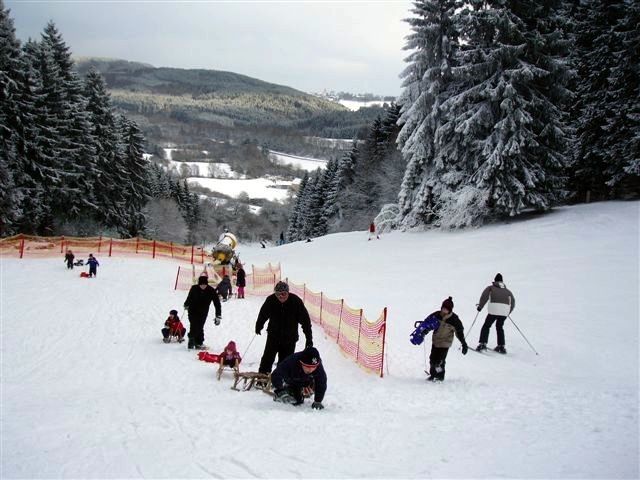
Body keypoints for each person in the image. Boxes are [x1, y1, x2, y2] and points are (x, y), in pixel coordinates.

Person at [255, 281, 313, 375]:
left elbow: (305, 321)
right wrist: (259, 325)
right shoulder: (271, 300)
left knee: (285, 362)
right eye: (278, 294)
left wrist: (309, 338)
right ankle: (262, 378)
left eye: (283, 294)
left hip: (289, 339)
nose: (281, 296)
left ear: (288, 292)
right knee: (267, 359)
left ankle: (282, 379)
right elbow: (263, 313)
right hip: (273, 336)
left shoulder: (296, 302)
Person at [427, 297, 468, 381]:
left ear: (450, 310)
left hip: (445, 343)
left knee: (439, 362)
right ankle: (433, 375)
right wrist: (423, 331)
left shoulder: (454, 320)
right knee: (432, 360)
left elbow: (459, 333)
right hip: (436, 341)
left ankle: (440, 376)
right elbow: (427, 323)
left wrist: (464, 344)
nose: (444, 311)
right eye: (443, 308)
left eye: (446, 309)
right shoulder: (437, 315)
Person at [476, 273, 516, 354]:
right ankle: (501, 346)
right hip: (504, 312)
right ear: (502, 281)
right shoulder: (508, 291)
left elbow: (484, 296)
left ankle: (483, 344)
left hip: (493, 310)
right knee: (499, 326)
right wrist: (508, 312)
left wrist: (480, 307)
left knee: (487, 325)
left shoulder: (490, 288)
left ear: (495, 280)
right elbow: (513, 302)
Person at [183, 275, 222, 350]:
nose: (203, 286)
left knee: (200, 326)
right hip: (192, 310)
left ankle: (198, 342)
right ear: (199, 284)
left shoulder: (211, 290)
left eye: (204, 285)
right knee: (194, 325)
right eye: (201, 285)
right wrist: (186, 304)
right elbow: (189, 297)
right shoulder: (194, 288)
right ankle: (191, 341)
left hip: (203, 312)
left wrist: (218, 315)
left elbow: (217, 303)